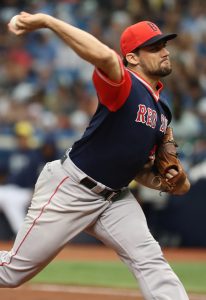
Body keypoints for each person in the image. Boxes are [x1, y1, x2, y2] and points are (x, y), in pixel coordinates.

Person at [0, 12, 190, 300]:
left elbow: (139, 168)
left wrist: (165, 181)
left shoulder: (162, 108)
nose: (164, 52)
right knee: (12, 272)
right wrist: (47, 21)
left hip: (115, 198)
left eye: (164, 45)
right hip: (72, 188)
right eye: (154, 47)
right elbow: (105, 57)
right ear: (133, 58)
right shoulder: (125, 85)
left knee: (150, 260)